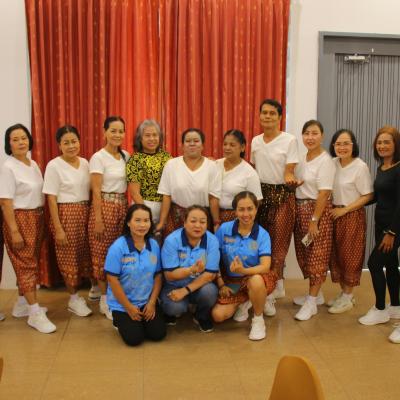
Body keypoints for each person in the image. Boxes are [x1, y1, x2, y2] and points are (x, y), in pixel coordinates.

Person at [0, 124, 55, 333]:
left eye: (23, 138)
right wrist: (14, 231)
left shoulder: (33, 164)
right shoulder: (8, 167)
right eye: (15, 139)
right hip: (19, 219)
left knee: (30, 262)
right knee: (26, 265)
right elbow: (5, 202)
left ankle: (22, 304)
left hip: (36, 217)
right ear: (9, 144)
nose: (21, 142)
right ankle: (34, 313)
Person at [251, 99, 299, 307]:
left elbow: (290, 169)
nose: (267, 116)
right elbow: (254, 169)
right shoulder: (255, 141)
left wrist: (290, 177)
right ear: (259, 115)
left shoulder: (289, 140)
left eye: (272, 113)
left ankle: (269, 294)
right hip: (260, 196)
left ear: (280, 117)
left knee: (278, 246)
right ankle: (276, 285)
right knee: (263, 245)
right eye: (264, 112)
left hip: (282, 195)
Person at [212, 191, 276, 341]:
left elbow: (265, 266)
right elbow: (213, 257)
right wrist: (221, 284)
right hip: (232, 281)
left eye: (250, 209)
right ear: (235, 211)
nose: (246, 214)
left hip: (257, 276)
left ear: (256, 209)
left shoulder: (263, 235)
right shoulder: (224, 229)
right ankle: (247, 300)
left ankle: (258, 319)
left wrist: (244, 270)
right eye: (241, 209)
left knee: (255, 280)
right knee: (218, 315)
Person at [43, 125, 92, 317]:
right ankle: (73, 299)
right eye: (66, 143)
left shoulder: (85, 163)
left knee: (85, 255)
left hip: (85, 212)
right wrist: (58, 228)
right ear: (59, 145)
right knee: (68, 257)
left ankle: (93, 290)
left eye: (74, 141)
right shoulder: (54, 165)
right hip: (66, 214)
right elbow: (51, 199)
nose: (71, 146)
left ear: (79, 142)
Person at [358, 126, 400, 344]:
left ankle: (381, 309)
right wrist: (355, 203)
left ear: (396, 144)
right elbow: (378, 197)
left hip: (394, 227)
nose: (382, 146)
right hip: (380, 224)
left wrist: (392, 232)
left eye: (387, 142)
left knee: (374, 264)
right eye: (379, 142)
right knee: (391, 265)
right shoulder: (383, 167)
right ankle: (396, 306)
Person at [105, 204, 166, 346]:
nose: (142, 225)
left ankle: (141, 321)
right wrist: (128, 307)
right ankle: (118, 319)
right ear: (128, 222)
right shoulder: (118, 247)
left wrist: (151, 303)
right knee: (134, 339)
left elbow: (158, 276)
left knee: (158, 334)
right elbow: (112, 280)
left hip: (146, 301)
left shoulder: (153, 245)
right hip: (123, 304)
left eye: (146, 220)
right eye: (137, 220)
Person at [293, 120, 335, 321]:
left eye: (314, 133)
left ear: (322, 136)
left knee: (318, 255)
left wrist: (314, 220)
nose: (310, 137)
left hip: (317, 212)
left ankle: (311, 303)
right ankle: (316, 296)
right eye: (306, 133)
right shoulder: (302, 159)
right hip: (300, 209)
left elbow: (324, 193)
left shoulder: (325, 161)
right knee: (305, 253)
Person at [88, 116, 129, 320]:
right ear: (105, 132)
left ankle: (115, 295)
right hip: (104, 206)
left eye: (121, 131)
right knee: (101, 253)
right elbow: (96, 190)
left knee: (118, 253)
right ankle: (104, 300)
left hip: (122, 207)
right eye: (113, 130)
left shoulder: (125, 156)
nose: (117, 135)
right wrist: (98, 219)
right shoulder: (98, 157)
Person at [328, 129, 373, 313]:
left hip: (351, 215)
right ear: (333, 146)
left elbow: (368, 195)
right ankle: (345, 294)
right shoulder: (332, 163)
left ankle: (348, 296)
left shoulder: (360, 167)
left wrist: (345, 210)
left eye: (346, 143)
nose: (342, 147)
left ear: (353, 145)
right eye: (338, 144)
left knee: (350, 256)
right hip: (334, 214)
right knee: (336, 256)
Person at [160, 205, 219, 332]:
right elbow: (169, 275)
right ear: (185, 223)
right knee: (174, 308)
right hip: (174, 285)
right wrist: (190, 270)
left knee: (210, 292)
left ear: (207, 224)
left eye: (202, 222)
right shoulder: (171, 240)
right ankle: (174, 310)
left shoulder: (212, 240)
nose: (198, 225)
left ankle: (201, 316)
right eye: (193, 221)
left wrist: (185, 291)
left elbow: (210, 275)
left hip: (199, 285)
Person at [156, 128, 221, 235]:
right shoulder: (171, 165)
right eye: (188, 141)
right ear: (182, 145)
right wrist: (162, 222)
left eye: (196, 141)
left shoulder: (212, 166)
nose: (192, 144)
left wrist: (216, 222)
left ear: (202, 145)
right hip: (176, 219)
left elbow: (213, 198)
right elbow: (166, 196)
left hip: (201, 219)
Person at [126, 119, 171, 224]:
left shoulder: (167, 157)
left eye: (155, 135)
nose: (152, 139)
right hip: (142, 206)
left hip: (166, 207)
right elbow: (135, 193)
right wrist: (147, 215)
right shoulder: (135, 159)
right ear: (140, 138)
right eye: (147, 135)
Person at [216, 129, 262, 223]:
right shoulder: (215, 164)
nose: (227, 148)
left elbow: (257, 201)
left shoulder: (249, 172)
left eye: (232, 145)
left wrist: (244, 218)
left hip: (237, 220)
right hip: (213, 216)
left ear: (242, 147)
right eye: (225, 144)